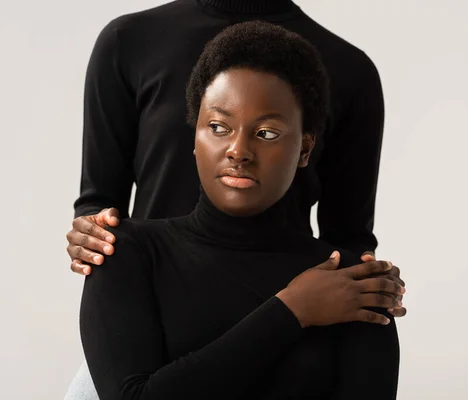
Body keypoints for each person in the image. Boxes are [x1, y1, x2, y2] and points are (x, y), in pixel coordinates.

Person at [79, 21, 402, 399]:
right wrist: (291, 309)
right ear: (194, 138)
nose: (238, 151)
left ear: (305, 150)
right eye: (218, 127)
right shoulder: (125, 255)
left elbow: (352, 231)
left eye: (266, 133)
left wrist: (366, 275)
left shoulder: (347, 288)